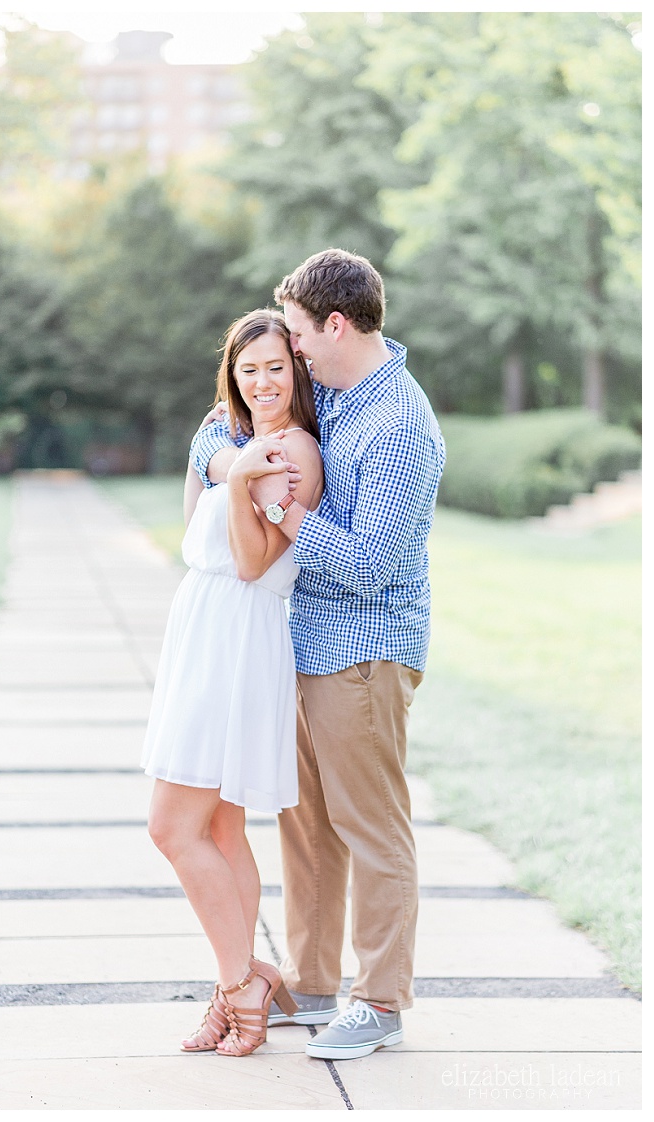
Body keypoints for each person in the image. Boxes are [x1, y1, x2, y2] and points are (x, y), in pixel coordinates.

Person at [191, 248, 446, 1060]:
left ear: (336, 325)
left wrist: (283, 510)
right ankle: (315, 979)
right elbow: (217, 436)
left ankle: (381, 1002)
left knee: (371, 827)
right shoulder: (335, 395)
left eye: (299, 336)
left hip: (363, 650)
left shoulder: (400, 422)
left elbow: (372, 563)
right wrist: (237, 466)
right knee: (305, 830)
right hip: (299, 643)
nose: (291, 354)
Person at [144, 308, 325, 1056]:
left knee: (169, 827)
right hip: (202, 623)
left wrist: (246, 468)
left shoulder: (296, 451)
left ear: (297, 371)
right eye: (248, 369)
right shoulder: (234, 442)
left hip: (242, 631)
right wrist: (228, 461)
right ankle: (240, 981)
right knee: (219, 827)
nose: (262, 382)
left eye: (276, 367)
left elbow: (253, 563)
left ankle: (237, 984)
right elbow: (194, 529)